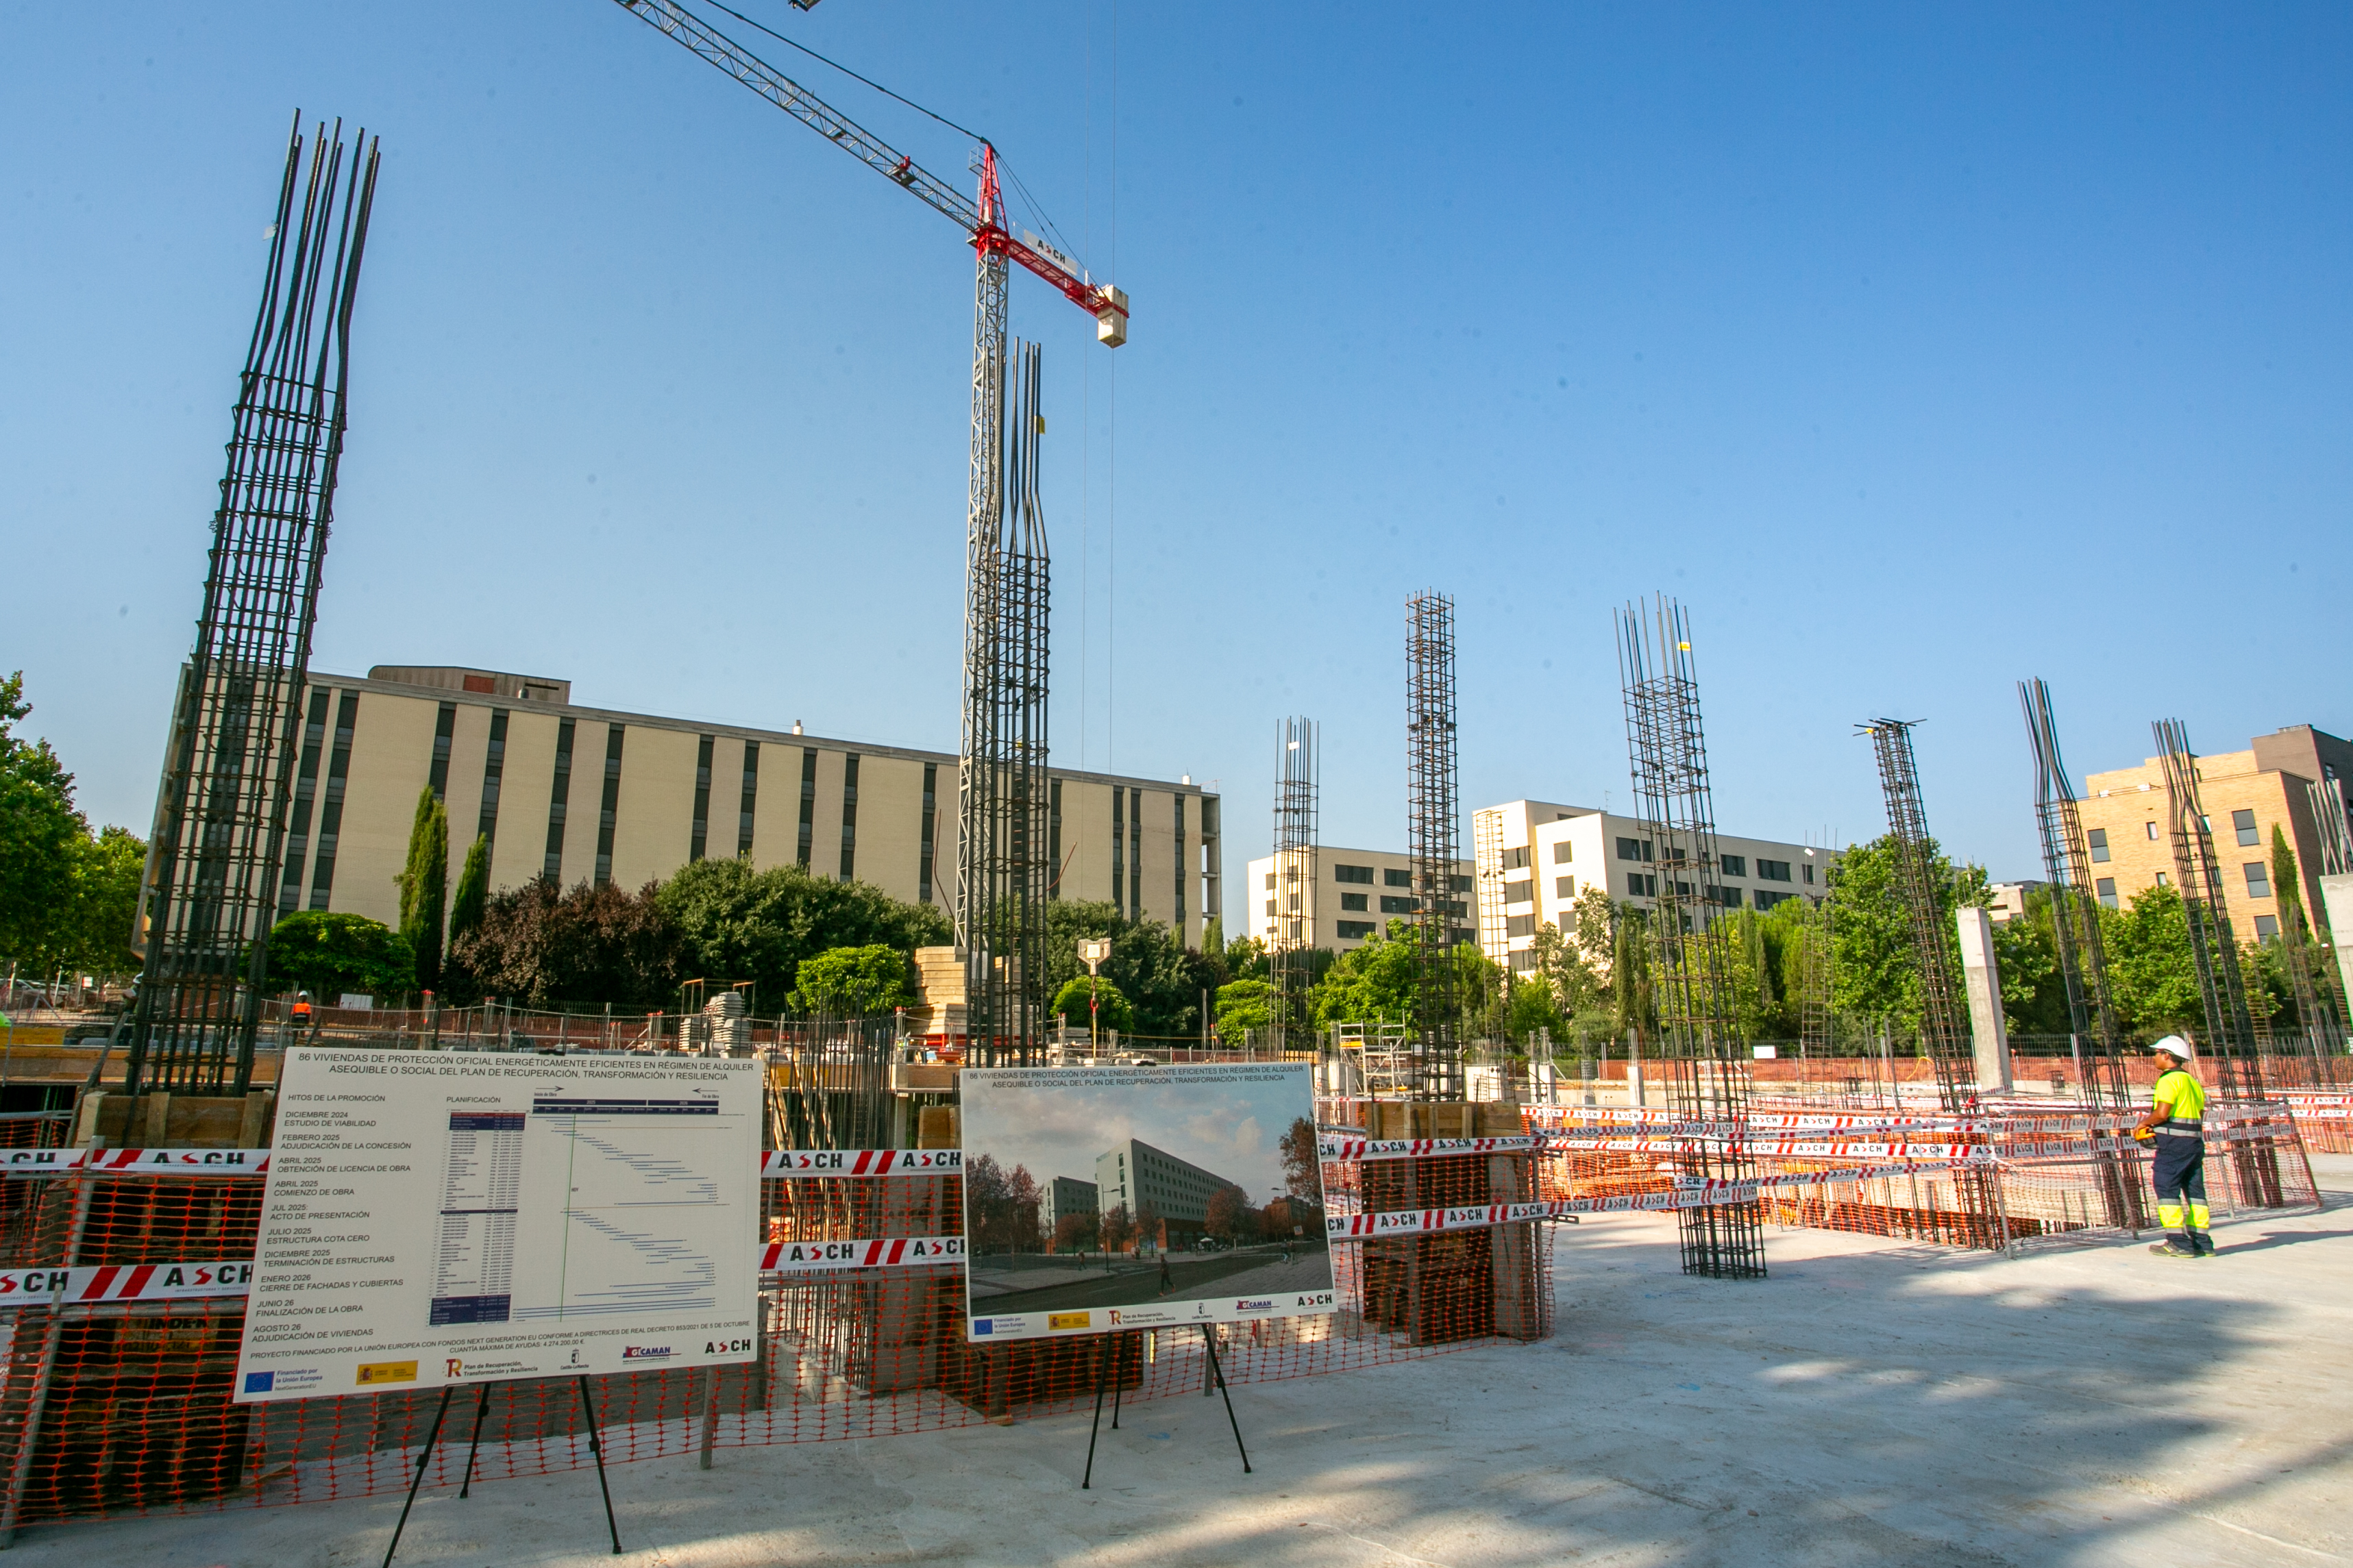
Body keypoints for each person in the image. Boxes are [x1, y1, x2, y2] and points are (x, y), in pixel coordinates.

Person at [2133, 1034, 2212, 1259]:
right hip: (2194, 1144)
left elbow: (2162, 1113)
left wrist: (2143, 1124)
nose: (2154, 1057)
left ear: (2167, 1055)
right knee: (2195, 1191)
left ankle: (2178, 1241)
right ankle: (2202, 1242)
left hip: (2174, 1146)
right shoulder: (2192, 1082)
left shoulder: (2168, 1080)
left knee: (2166, 1187)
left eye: (2157, 1053)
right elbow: (2198, 1113)